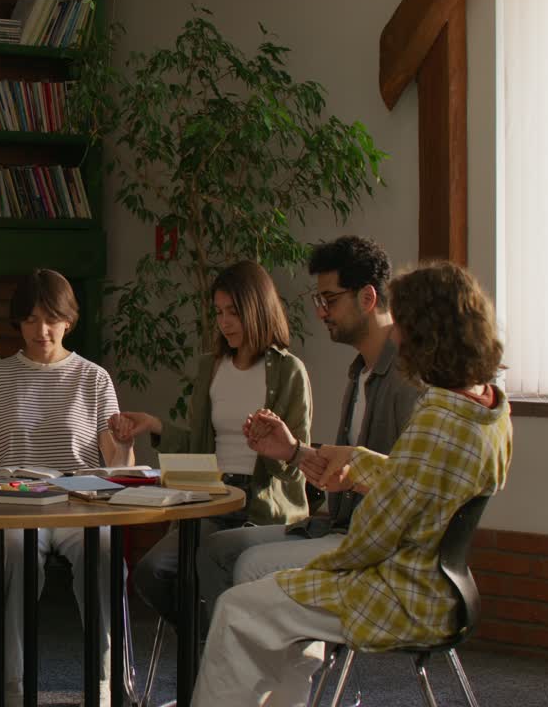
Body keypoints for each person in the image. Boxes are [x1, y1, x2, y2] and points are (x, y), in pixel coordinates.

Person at [193, 261, 513, 706]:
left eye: (402, 323)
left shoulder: (435, 420)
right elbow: (423, 483)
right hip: (440, 584)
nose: (396, 334)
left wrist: (310, 571)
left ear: (426, 332)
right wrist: (358, 463)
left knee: (237, 608)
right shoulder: (487, 408)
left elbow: (371, 540)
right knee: (263, 601)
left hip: (401, 591)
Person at [0, 268, 134, 706]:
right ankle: (8, 688)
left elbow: (118, 469)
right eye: (29, 320)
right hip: (14, 500)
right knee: (9, 550)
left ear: (68, 320)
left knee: (103, 552)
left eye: (50, 319)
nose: (41, 330)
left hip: (78, 500)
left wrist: (125, 443)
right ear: (17, 322)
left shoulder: (94, 378)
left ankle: (105, 685)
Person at [194, 236, 422, 617]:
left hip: (374, 545)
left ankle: (249, 671)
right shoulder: (360, 373)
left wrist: (335, 467)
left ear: (367, 298)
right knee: (216, 550)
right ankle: (236, 670)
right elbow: (348, 472)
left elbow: (409, 483)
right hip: (339, 527)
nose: (321, 312)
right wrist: (293, 451)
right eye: (320, 302)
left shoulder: (406, 379)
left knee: (240, 561)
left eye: (329, 300)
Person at [111, 260, 312, 626]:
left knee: (214, 566)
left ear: (257, 309)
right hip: (213, 498)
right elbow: (199, 447)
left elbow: (296, 464)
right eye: (219, 313)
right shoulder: (211, 367)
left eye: (233, 312)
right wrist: (155, 425)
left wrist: (275, 443)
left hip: (260, 506)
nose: (224, 322)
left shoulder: (288, 370)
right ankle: (208, 642)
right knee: (150, 571)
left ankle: (218, 653)